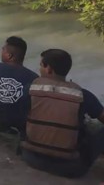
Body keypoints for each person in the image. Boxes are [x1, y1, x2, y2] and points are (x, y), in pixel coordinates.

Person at [21, 49, 104, 178]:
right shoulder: (83, 95)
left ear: (49, 69)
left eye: (41, 66)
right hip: (71, 168)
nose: (39, 69)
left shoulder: (30, 89)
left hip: (30, 158)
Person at [0, 36, 39, 135]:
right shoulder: (34, 78)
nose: (1, 51)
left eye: (3, 49)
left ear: (9, 56)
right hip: (16, 126)